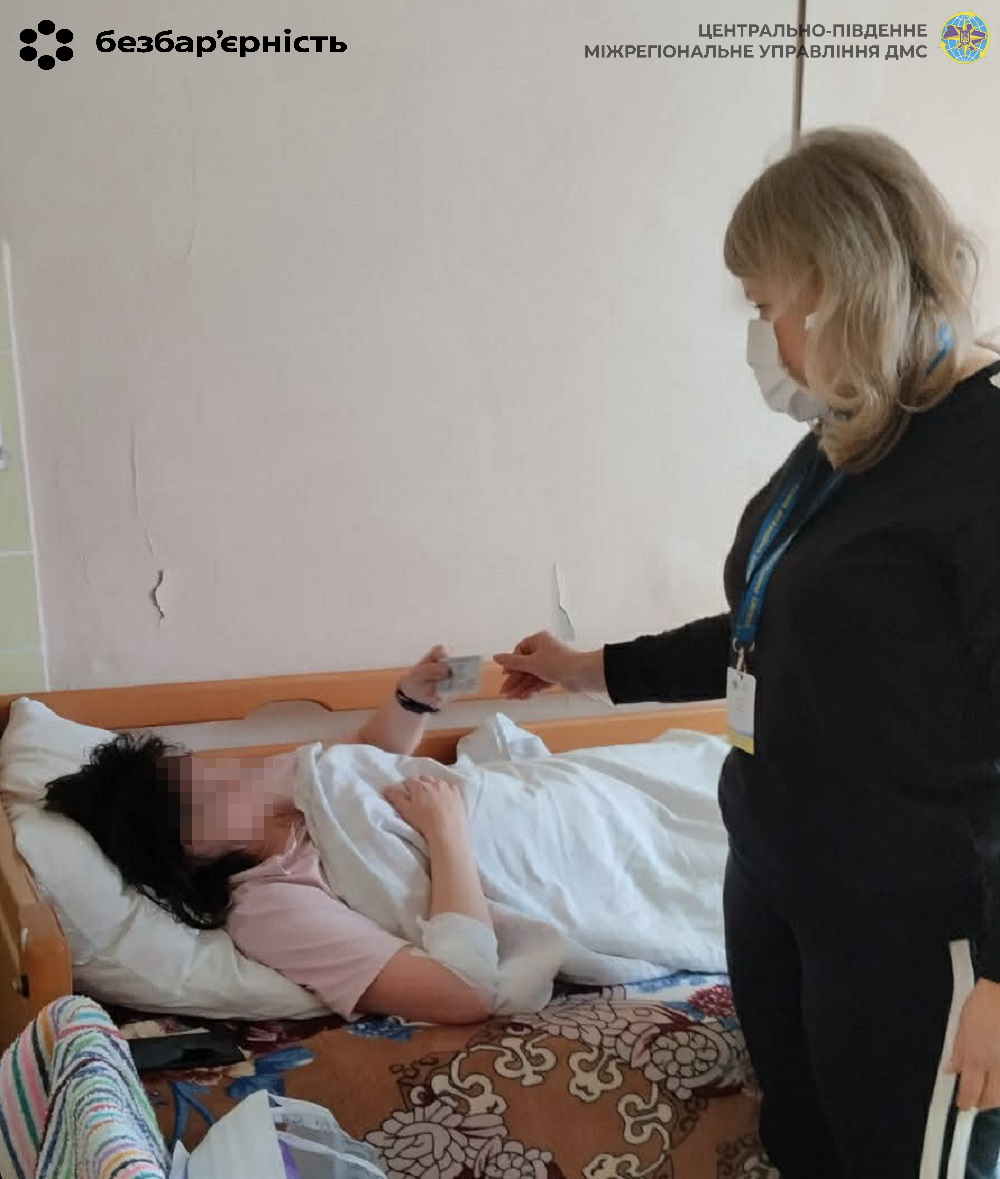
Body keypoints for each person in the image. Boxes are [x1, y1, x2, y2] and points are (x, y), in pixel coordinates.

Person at [493, 127, 1000, 1178]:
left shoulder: (980, 452)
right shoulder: (855, 433)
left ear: (837, 286)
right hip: (780, 880)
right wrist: (592, 669)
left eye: (767, 305)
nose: (761, 337)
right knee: (802, 1149)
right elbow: (771, 631)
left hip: (911, 920)